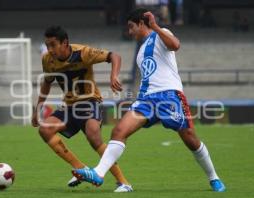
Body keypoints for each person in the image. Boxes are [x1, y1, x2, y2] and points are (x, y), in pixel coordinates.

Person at [72, 8, 226, 192]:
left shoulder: (162, 34)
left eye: (131, 27)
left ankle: (213, 177)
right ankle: (99, 173)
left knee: (190, 138)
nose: (129, 32)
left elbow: (175, 45)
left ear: (141, 24)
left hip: (169, 96)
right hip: (146, 99)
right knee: (119, 130)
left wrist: (156, 26)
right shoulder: (140, 53)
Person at [32, 26, 133, 192]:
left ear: (65, 43)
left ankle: (124, 183)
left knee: (94, 135)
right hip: (70, 105)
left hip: (90, 101)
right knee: (45, 130)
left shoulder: (83, 53)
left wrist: (113, 75)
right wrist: (38, 109)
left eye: (53, 44)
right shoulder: (47, 60)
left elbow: (114, 56)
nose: (50, 49)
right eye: (47, 45)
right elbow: (47, 83)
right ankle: (81, 168)